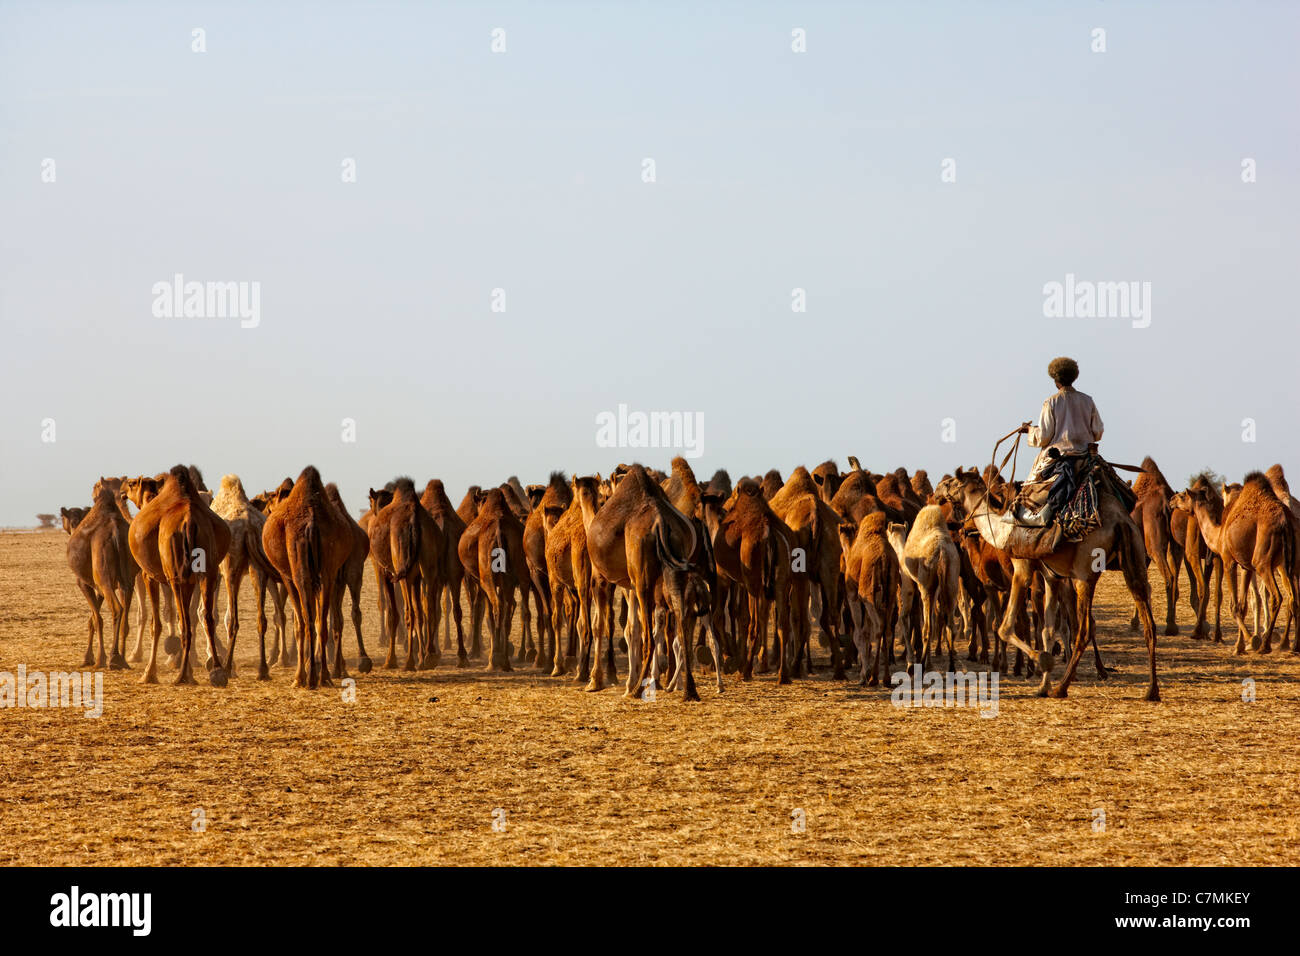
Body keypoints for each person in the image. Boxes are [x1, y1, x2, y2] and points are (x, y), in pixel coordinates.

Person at [1005, 357, 1104, 526]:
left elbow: (1044, 436)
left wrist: (1029, 430)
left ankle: (1038, 516)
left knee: (1032, 484)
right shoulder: (1087, 401)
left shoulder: (1051, 402)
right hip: (1086, 456)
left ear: (1056, 380)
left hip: (1061, 457)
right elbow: (1098, 432)